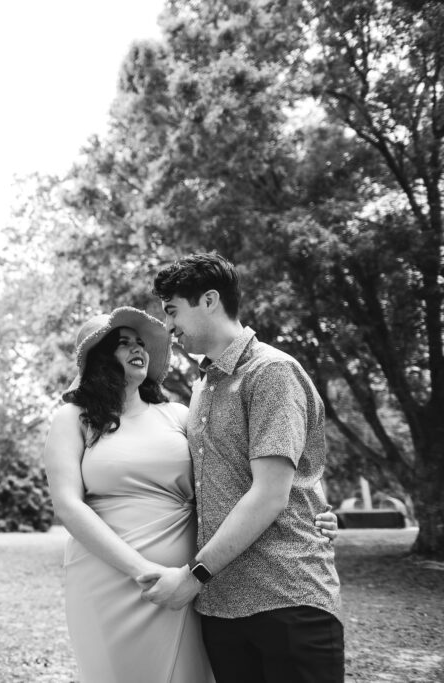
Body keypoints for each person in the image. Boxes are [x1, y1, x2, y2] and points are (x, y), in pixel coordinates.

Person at [43, 306, 336, 683]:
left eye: (141, 342)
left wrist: (316, 508)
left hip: (186, 582)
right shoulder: (72, 419)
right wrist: (143, 570)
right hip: (108, 579)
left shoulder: (179, 415)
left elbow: (255, 459)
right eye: (123, 343)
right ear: (99, 358)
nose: (138, 348)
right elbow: (68, 505)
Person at [141, 252, 344, 683]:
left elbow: (271, 494)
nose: (169, 326)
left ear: (210, 300)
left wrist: (194, 576)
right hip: (221, 606)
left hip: (286, 598)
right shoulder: (202, 387)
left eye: (173, 310)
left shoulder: (271, 371)